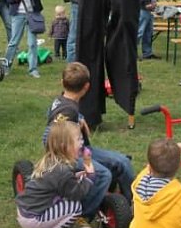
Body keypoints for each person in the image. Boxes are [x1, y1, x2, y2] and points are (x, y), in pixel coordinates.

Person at [44, 62, 134, 215]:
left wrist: (79, 117)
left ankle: (132, 202)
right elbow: (51, 134)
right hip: (69, 155)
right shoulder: (68, 110)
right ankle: (82, 214)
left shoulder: (62, 100)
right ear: (86, 87)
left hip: (81, 149)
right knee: (104, 174)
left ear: (62, 83)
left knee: (122, 162)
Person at [16, 117, 96, 228]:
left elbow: (60, 183)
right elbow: (77, 193)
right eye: (78, 140)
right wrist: (90, 177)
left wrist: (77, 176)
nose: (82, 143)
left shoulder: (53, 161)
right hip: (32, 217)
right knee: (75, 207)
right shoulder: (62, 171)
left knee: (69, 203)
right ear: (65, 146)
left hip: (27, 210)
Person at [3, 0, 45, 77]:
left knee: (32, 43)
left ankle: (33, 69)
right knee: (13, 41)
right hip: (18, 14)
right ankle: (6, 65)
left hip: (33, 13)